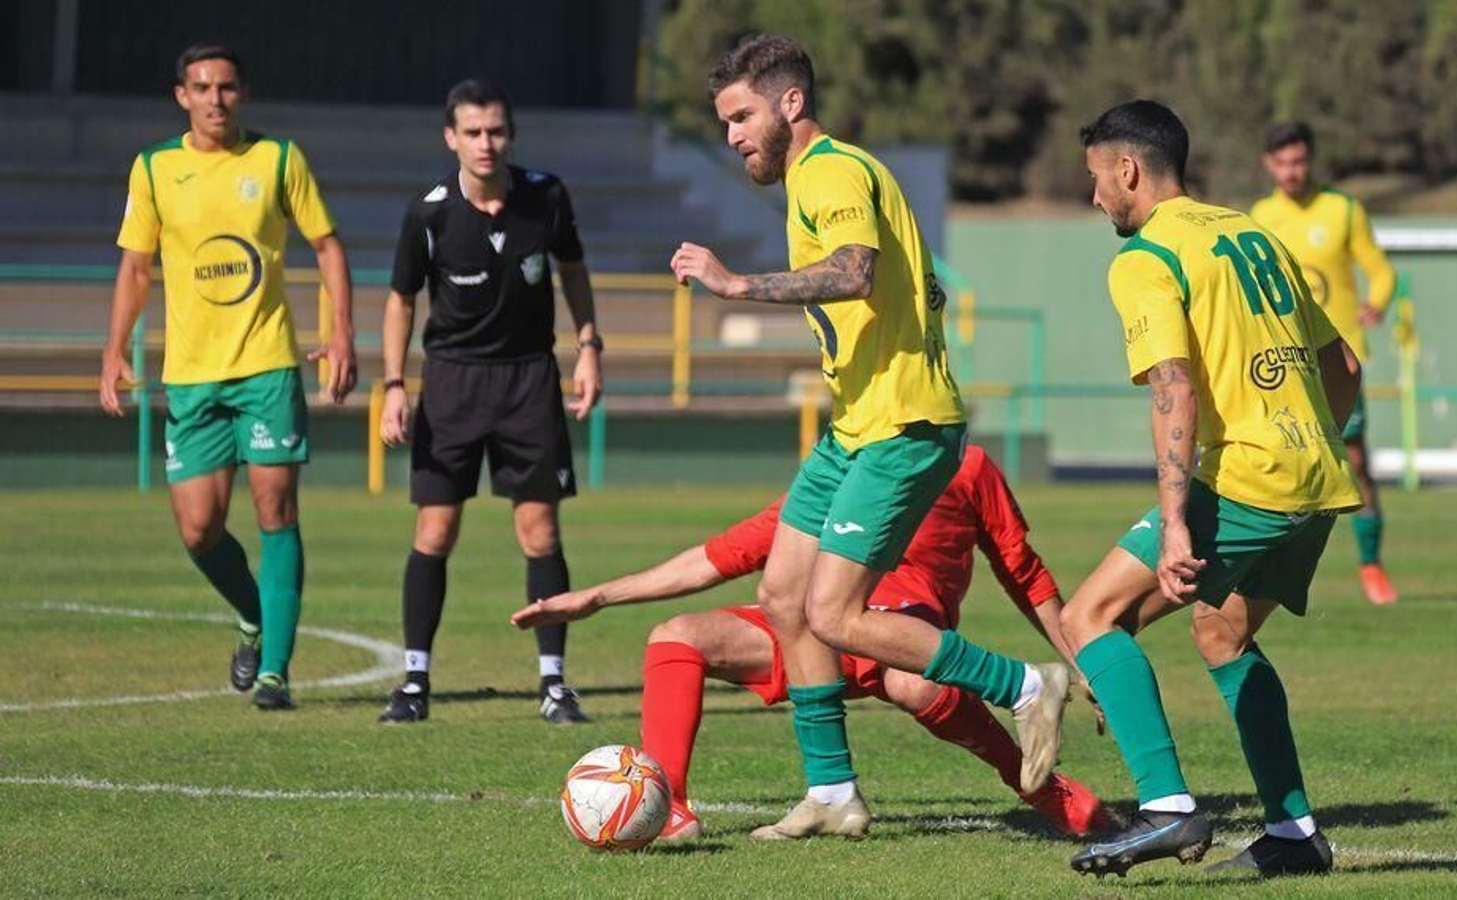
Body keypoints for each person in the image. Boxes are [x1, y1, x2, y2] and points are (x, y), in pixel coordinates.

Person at [668, 34, 1071, 840]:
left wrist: (736, 283)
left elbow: (855, 270)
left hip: (902, 427)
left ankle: (1027, 685)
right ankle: (832, 792)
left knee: (833, 614)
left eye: (742, 116)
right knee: (783, 598)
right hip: (855, 428)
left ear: (791, 104)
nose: (733, 136)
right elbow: (915, 286)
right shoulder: (833, 177)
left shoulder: (831, 171)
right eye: (723, 122)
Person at [513, 445, 1112, 841]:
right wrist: (598, 596)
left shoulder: (965, 464)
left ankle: (1046, 790)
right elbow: (720, 557)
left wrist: (1083, 661)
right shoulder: (837, 464)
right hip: (810, 638)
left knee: (916, 680)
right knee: (677, 637)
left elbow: (1022, 570)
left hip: (898, 629)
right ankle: (669, 807)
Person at [1058, 101, 1362, 878]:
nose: (1094, 197)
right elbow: (1344, 368)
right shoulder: (1252, 232)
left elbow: (1173, 387)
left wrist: (1174, 523)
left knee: (1090, 615)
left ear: (1127, 170)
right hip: (1320, 479)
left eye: (1096, 178)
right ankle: (1294, 834)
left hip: (1250, 478)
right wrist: (1310, 440)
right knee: (1220, 632)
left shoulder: (1146, 258)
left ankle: (1166, 807)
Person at [100, 44, 356, 711]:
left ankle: (275, 671)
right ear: (181, 95)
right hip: (190, 377)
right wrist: (114, 350)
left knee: (277, 510)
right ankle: (252, 615)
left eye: (227, 87)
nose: (216, 99)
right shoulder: (155, 168)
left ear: (243, 93)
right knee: (198, 529)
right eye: (203, 87)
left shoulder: (277, 160)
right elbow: (135, 267)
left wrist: (341, 333)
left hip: (268, 364)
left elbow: (327, 246)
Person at [376, 79, 602, 726]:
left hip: (529, 380)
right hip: (450, 383)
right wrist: (394, 386)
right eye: (472, 132)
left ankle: (555, 684)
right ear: (451, 138)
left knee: (540, 531)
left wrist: (590, 345)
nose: (485, 143)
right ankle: (415, 680)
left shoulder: (546, 196)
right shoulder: (429, 213)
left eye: (496, 131)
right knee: (435, 531)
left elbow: (574, 271)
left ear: (511, 134)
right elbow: (400, 301)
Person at [1251, 122, 1399, 605]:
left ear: (1310, 160)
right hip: (1284, 358)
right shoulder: (1260, 215)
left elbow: (1379, 269)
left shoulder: (1342, 209)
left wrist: (1376, 301)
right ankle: (1266, 569)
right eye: (1283, 163)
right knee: (1279, 461)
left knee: (1353, 461)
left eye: (1299, 161)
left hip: (1337, 357)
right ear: (1268, 165)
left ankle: (1371, 564)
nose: (1292, 171)